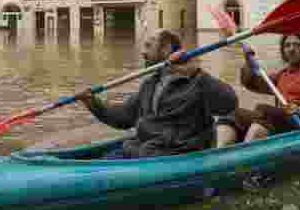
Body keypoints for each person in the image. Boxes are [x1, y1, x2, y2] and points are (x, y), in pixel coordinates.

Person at [77, 29, 238, 158]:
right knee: (108, 158)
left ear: (166, 48)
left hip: (174, 155)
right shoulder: (150, 84)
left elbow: (229, 103)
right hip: (143, 150)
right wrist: (93, 103)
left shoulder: (197, 81)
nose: (142, 52)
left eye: (148, 46)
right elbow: (124, 118)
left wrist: (197, 73)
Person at [214, 32, 300, 147]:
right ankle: (220, 153)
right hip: (283, 119)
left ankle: (245, 154)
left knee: (265, 110)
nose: (291, 49)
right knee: (233, 113)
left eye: (297, 45)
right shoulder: (282, 75)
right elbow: (251, 83)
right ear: (283, 51)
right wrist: (248, 63)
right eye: (287, 45)